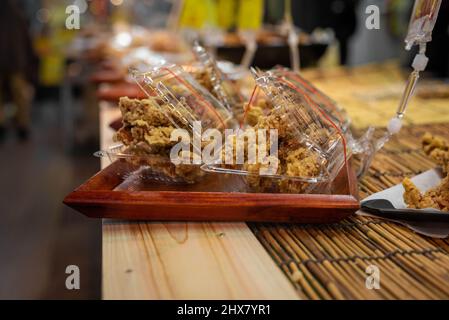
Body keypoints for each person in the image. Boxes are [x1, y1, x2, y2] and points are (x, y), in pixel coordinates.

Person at [0, 0, 38, 142]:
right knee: (20, 94)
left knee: (17, 94)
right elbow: (26, 38)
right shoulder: (17, 12)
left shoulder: (15, 12)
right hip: (16, 59)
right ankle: (22, 126)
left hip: (12, 59)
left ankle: (5, 125)